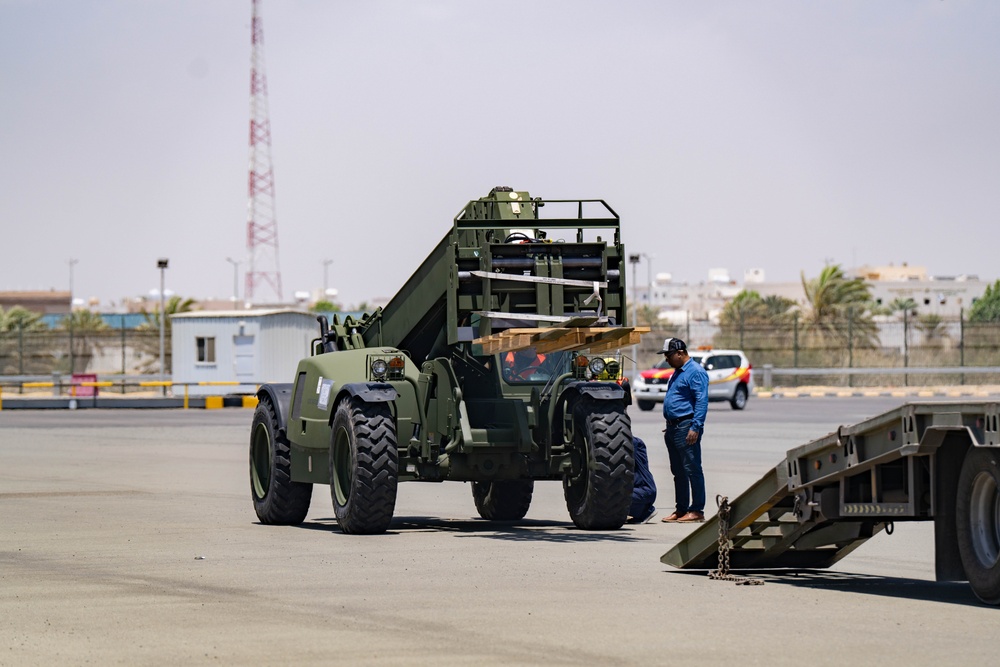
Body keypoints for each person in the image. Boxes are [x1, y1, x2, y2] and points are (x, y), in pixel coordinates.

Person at [658, 338, 709, 523]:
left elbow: (702, 401)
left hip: (686, 427)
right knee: (678, 471)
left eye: (668, 355)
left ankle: (696, 510)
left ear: (680, 353)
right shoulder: (677, 372)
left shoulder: (695, 372)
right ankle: (681, 509)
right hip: (673, 428)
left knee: (692, 469)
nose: (666, 359)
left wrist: (695, 427)